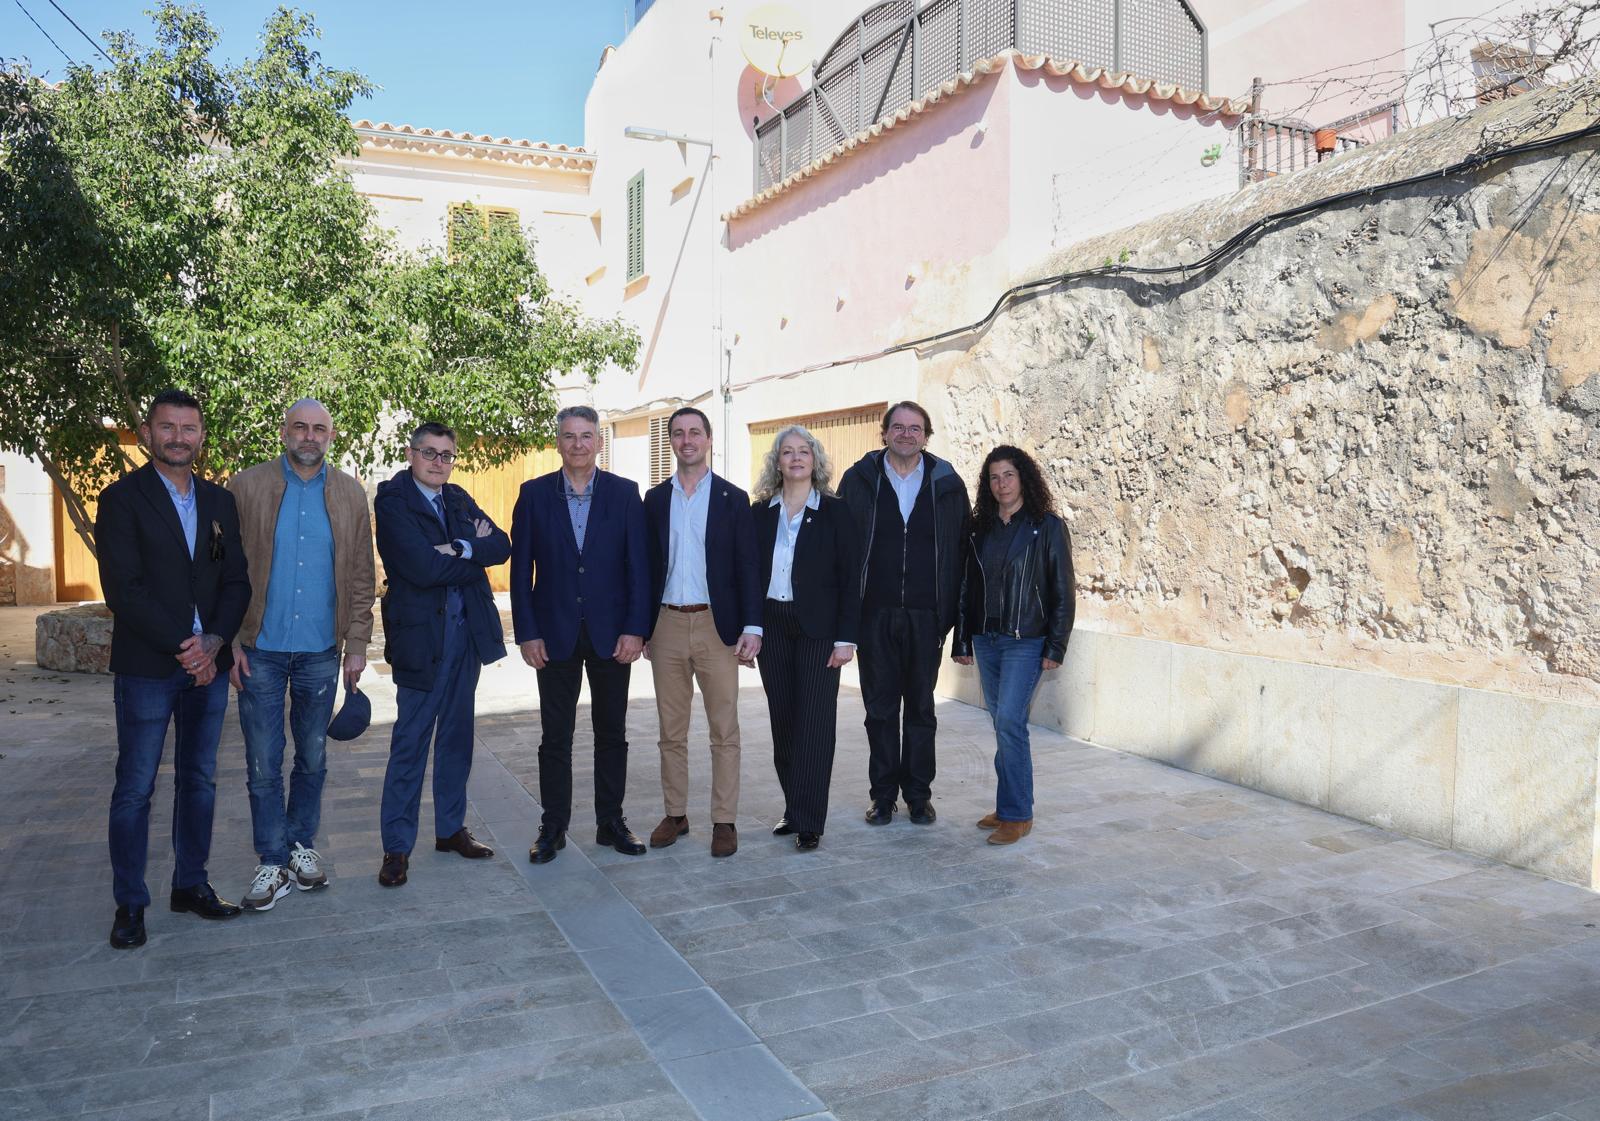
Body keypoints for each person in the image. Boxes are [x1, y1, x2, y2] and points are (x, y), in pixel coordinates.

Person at [97, 388, 252, 949]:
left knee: (200, 779)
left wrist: (214, 642)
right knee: (135, 787)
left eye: (189, 428)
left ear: (201, 436)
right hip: (148, 666)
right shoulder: (121, 500)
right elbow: (125, 590)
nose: (179, 438)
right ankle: (129, 904)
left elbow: (235, 580)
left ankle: (190, 884)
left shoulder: (219, 503)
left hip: (206, 665)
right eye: (168, 427)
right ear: (147, 434)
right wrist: (189, 647)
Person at [227, 398, 375, 911]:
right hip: (259, 650)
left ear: (330, 436)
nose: (309, 436)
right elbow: (222, 571)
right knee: (263, 762)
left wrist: (357, 644)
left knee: (312, 758)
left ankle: (300, 846)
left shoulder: (351, 494)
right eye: (300, 427)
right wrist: (228, 642)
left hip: (320, 652)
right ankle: (272, 858)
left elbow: (361, 577)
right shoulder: (246, 487)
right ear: (284, 432)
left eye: (319, 429)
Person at [373, 422, 511, 887]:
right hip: (421, 641)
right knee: (410, 743)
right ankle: (396, 847)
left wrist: (461, 546)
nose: (438, 462)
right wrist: (471, 562)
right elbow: (419, 567)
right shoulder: (393, 502)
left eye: (446, 455)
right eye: (429, 453)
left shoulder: (458, 499)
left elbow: (502, 545)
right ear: (411, 455)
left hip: (466, 638)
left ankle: (450, 829)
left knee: (456, 738)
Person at [511, 405, 650, 863]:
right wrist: (527, 633)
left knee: (612, 733)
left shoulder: (626, 494)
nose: (577, 445)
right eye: (569, 436)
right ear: (558, 442)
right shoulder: (533, 495)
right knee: (556, 737)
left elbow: (639, 570)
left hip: (613, 635)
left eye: (586, 436)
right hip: (554, 637)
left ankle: (611, 822)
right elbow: (520, 572)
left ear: (598, 442)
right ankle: (553, 827)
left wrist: (636, 629)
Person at [838, 401, 970, 827]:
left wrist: (949, 616)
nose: (906, 434)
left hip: (925, 617)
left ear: (926, 436)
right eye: (898, 427)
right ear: (885, 433)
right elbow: (840, 550)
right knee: (879, 710)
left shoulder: (948, 484)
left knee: (920, 709)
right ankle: (882, 797)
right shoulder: (858, 479)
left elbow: (961, 554)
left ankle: (918, 795)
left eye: (915, 429)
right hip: (873, 614)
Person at [642, 407, 762, 858]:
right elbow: (646, 567)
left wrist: (752, 626)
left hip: (718, 626)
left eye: (695, 432)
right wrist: (643, 628)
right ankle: (676, 813)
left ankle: (724, 820)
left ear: (709, 440)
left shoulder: (733, 499)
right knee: (670, 730)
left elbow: (748, 567)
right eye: (678, 433)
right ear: (671, 441)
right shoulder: (655, 500)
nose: (686, 440)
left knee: (723, 729)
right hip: (668, 623)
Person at [952, 446, 1074, 845]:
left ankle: (1018, 814)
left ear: (1024, 478)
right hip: (986, 639)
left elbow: (1062, 589)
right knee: (1003, 722)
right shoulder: (980, 528)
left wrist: (1055, 646)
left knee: (1009, 721)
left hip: (1026, 640)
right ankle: (1008, 806)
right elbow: (967, 587)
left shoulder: (1046, 526)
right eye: (994, 477)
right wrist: (963, 637)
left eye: (1009, 475)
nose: (1001, 484)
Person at [752, 425, 860, 851]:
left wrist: (846, 638)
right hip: (772, 624)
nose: (795, 458)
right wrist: (750, 627)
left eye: (804, 452)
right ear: (776, 462)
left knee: (815, 723)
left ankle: (811, 819)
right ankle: (794, 809)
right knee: (784, 721)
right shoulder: (759, 513)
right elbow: (748, 574)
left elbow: (851, 580)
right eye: (787, 452)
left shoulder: (836, 512)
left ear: (815, 461)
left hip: (819, 629)